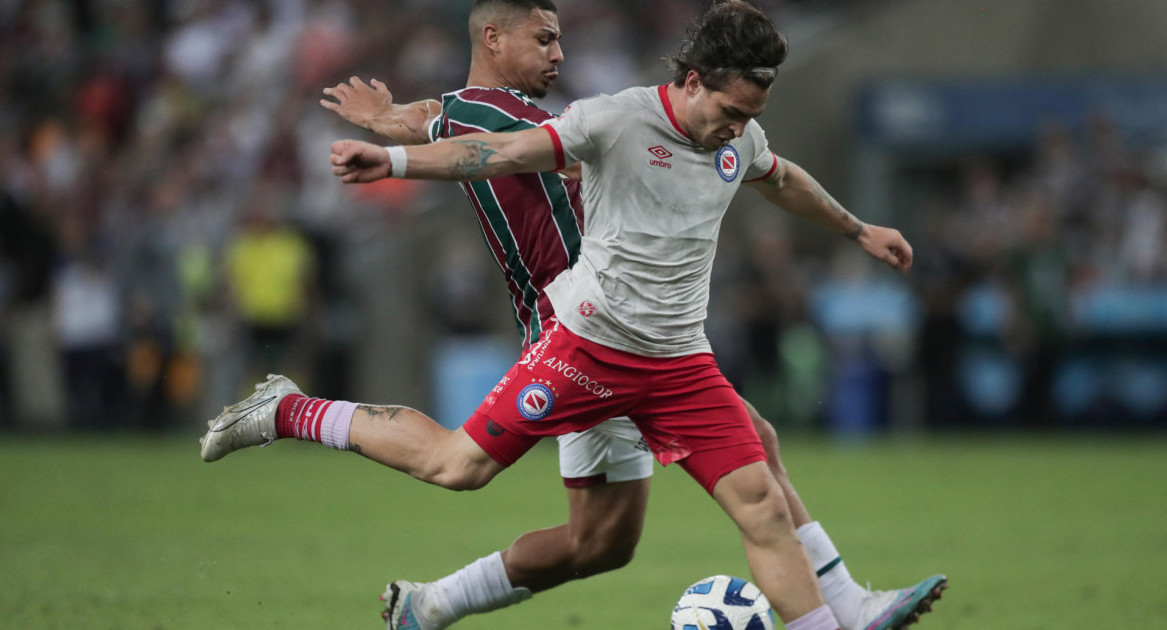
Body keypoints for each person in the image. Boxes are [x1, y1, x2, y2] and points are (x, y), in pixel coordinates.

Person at [203, 2, 943, 630]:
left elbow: (775, 173)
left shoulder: (715, 134)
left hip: (668, 351)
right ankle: (290, 409)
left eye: (561, 37)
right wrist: (389, 138)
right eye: (544, 38)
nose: (560, 52)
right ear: (494, 37)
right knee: (458, 466)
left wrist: (856, 229)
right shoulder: (563, 115)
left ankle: (427, 607)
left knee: (608, 543)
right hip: (574, 340)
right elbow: (478, 144)